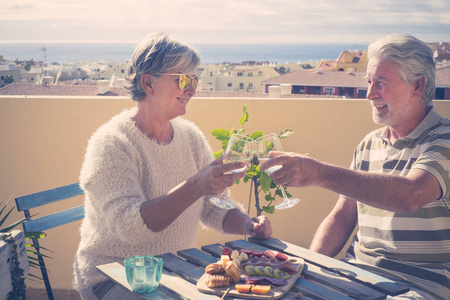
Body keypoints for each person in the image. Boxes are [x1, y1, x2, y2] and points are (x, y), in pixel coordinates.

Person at [73, 32, 272, 300]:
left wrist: (249, 225)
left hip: (175, 272)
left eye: (195, 79)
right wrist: (196, 185)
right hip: (115, 276)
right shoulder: (111, 144)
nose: (191, 89)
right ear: (148, 83)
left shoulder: (190, 137)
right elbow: (130, 227)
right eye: (182, 79)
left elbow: (213, 208)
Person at [261, 34, 450, 299]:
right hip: (357, 275)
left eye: (381, 82)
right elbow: (342, 217)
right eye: (369, 82)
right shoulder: (369, 144)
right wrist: (308, 266)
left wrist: (319, 172)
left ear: (417, 85)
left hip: (420, 287)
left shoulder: (444, 139)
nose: (370, 94)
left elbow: (412, 194)